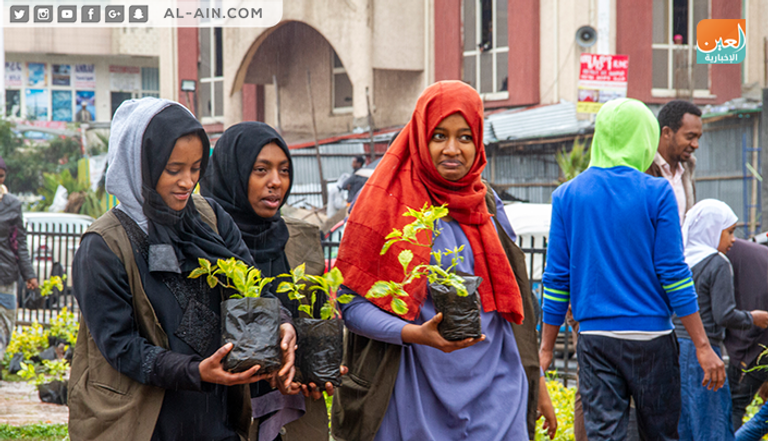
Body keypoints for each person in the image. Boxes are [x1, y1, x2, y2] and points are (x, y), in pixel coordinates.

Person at [331, 80, 556, 441]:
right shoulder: (384, 205)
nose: (452, 149)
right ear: (420, 136)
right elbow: (349, 303)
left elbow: (513, 303)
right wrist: (414, 334)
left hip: (498, 395)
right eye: (439, 136)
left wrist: (537, 381)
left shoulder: (487, 205)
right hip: (412, 392)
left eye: (465, 137)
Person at [68, 98, 297, 441]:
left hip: (214, 419)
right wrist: (196, 371)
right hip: (142, 422)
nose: (187, 182)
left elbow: (252, 284)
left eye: (194, 168)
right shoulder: (104, 245)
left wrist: (281, 321)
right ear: (141, 163)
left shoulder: (212, 220)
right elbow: (121, 346)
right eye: (173, 169)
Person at [539, 98, 725, 441]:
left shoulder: (567, 195)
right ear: (644, 137)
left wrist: (546, 348)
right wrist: (702, 344)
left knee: (604, 435)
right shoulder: (657, 192)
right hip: (652, 338)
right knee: (659, 434)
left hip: (595, 340)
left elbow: (556, 279)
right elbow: (673, 272)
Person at [201, 121, 337, 441]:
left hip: (289, 416)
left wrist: (312, 370)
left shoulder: (299, 238)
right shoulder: (203, 239)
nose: (276, 182)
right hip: (222, 412)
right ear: (232, 173)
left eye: (284, 170)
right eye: (261, 170)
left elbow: (312, 320)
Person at [673, 200, 768, 440]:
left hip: (676, 347)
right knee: (712, 420)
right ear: (711, 230)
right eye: (729, 232)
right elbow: (723, 315)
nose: (733, 240)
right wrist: (753, 318)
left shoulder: (681, 262)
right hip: (704, 349)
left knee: (684, 420)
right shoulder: (718, 264)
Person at [0, 157, 38, 368]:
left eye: (1, 175)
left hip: (5, 277)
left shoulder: (12, 205)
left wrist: (29, 275)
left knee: (6, 328)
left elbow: (19, 243)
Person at [726, 239, 768, 430]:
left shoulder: (723, 255)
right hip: (757, 343)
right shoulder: (753, 255)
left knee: (734, 405)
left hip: (756, 344)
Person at [646, 100, 703, 224]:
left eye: (698, 138)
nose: (695, 145)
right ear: (666, 133)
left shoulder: (687, 169)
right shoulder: (644, 168)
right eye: (689, 137)